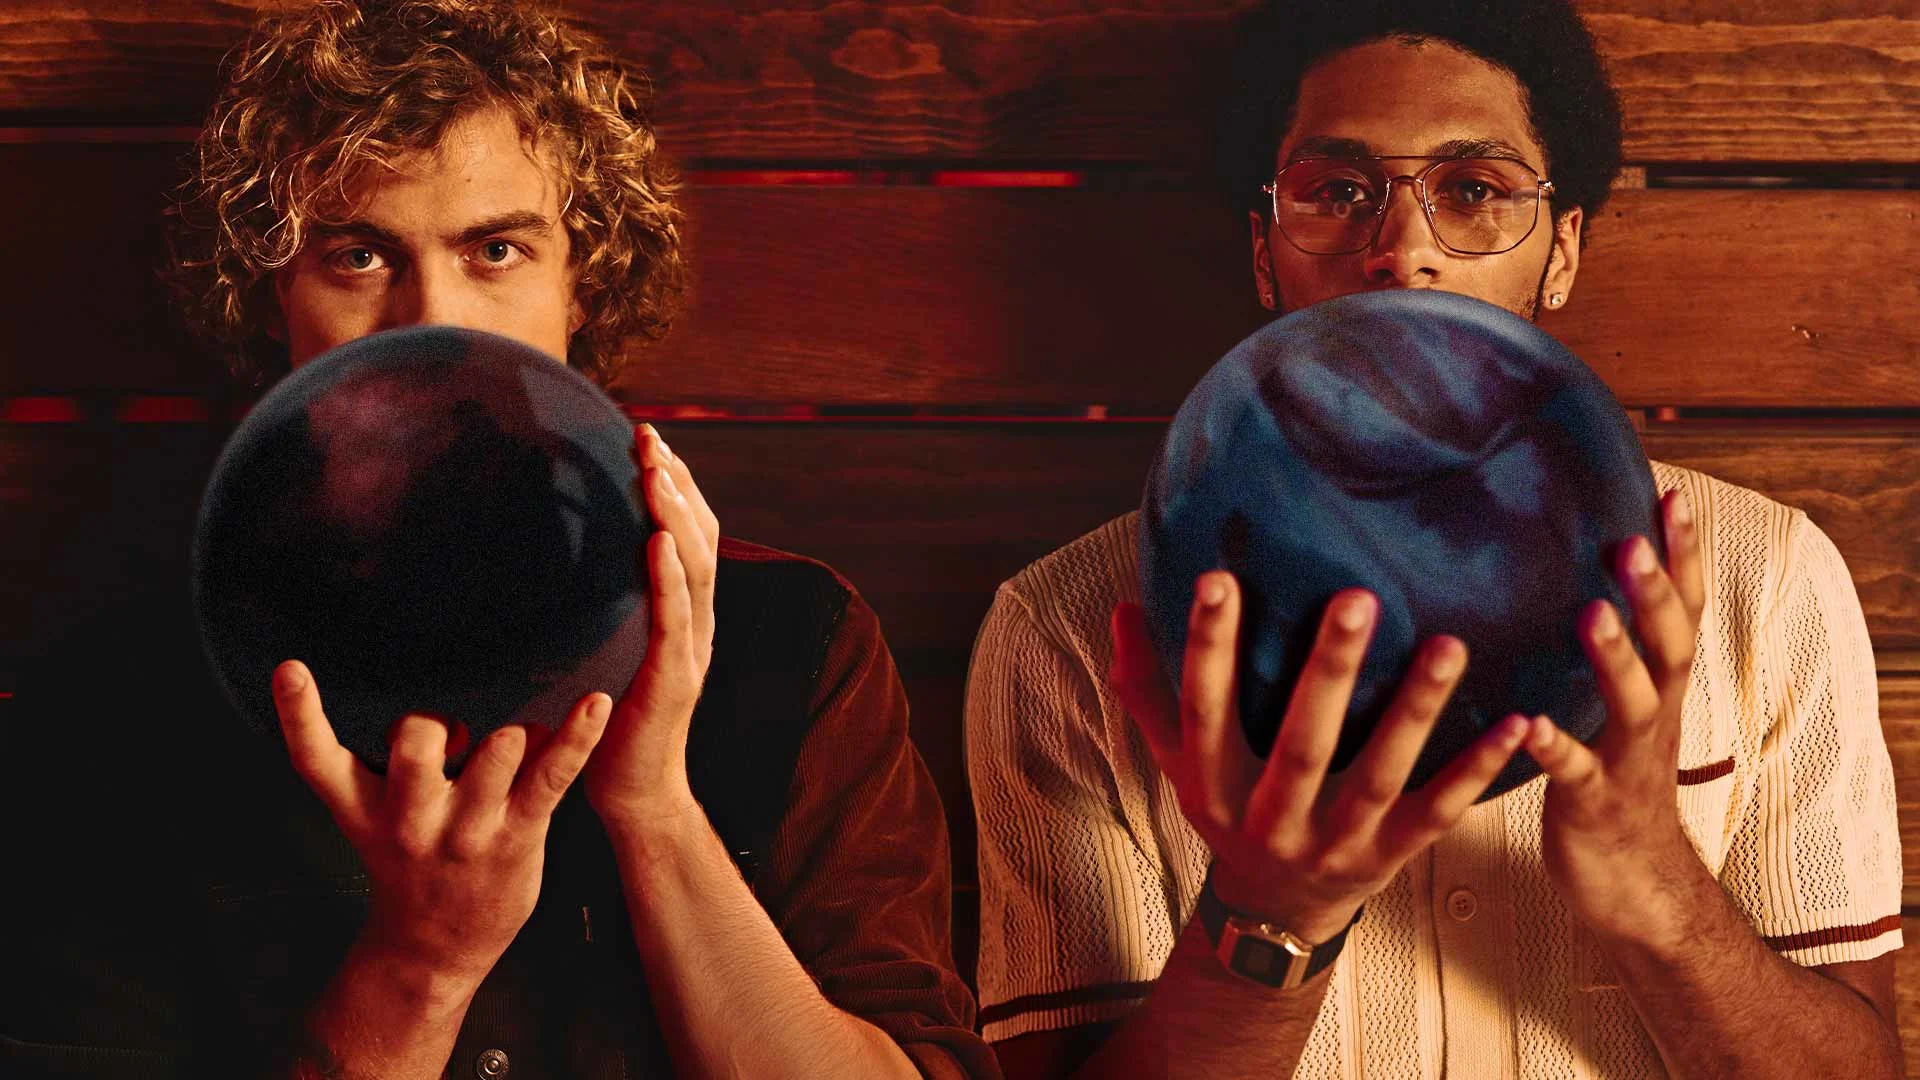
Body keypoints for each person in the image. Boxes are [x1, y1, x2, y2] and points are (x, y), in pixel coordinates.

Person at [0, 1, 993, 1077]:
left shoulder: (796, 642)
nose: (434, 322)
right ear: (268, 295)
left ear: (583, 286)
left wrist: (653, 807)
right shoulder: (109, 705)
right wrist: (422, 958)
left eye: (497, 248)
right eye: (359, 255)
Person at [963, 2, 1904, 1077]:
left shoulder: (1760, 579)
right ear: (1267, 254)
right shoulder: (1072, 630)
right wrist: (1270, 918)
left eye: (1474, 191)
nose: (1403, 250)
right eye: (1339, 192)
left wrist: (1658, 886)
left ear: (1563, 250)